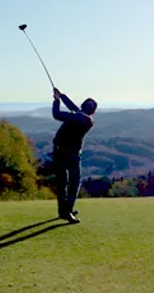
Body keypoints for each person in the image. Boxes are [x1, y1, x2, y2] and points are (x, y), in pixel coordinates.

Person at [51, 87, 97, 224]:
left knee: (62, 183)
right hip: (72, 155)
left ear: (82, 106)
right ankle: (67, 211)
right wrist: (62, 96)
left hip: (59, 152)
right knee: (74, 183)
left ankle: (64, 211)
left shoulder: (75, 117)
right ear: (93, 111)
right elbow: (76, 110)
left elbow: (56, 114)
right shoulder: (88, 121)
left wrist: (56, 100)